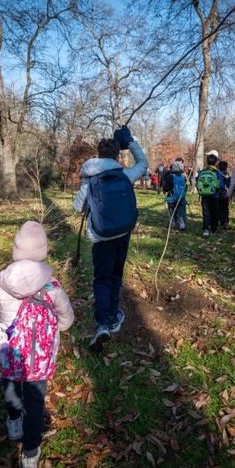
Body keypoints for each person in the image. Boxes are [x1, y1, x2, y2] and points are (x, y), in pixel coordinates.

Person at [0, 221, 74, 468]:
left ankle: (13, 422)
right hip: (39, 359)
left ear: (15, 249)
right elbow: (67, 321)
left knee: (11, 389)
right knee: (35, 404)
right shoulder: (52, 286)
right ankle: (30, 455)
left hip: (8, 353)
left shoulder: (1, 283)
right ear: (43, 251)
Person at [73, 125, 147, 352]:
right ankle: (114, 314)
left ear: (98, 154)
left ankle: (102, 323)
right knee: (116, 275)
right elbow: (143, 164)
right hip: (123, 233)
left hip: (101, 238)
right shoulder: (124, 174)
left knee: (102, 279)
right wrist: (131, 140)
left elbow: (78, 208)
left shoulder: (90, 178)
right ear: (117, 155)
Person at [196, 150, 225, 238]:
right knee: (214, 212)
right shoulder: (217, 172)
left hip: (204, 196)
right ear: (216, 162)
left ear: (207, 162)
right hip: (214, 195)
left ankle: (205, 229)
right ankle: (213, 229)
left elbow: (197, 180)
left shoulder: (202, 172)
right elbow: (221, 185)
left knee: (206, 213)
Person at [162, 160, 187, 232]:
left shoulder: (170, 177)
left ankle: (172, 225)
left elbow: (166, 188)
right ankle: (182, 226)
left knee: (172, 212)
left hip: (172, 198)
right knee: (181, 212)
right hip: (181, 198)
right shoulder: (183, 177)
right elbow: (186, 187)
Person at [217, 160, 231, 229]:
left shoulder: (217, 174)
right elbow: (230, 184)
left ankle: (220, 221)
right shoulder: (227, 175)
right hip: (226, 194)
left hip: (218, 194)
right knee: (225, 208)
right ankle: (226, 222)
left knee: (218, 208)